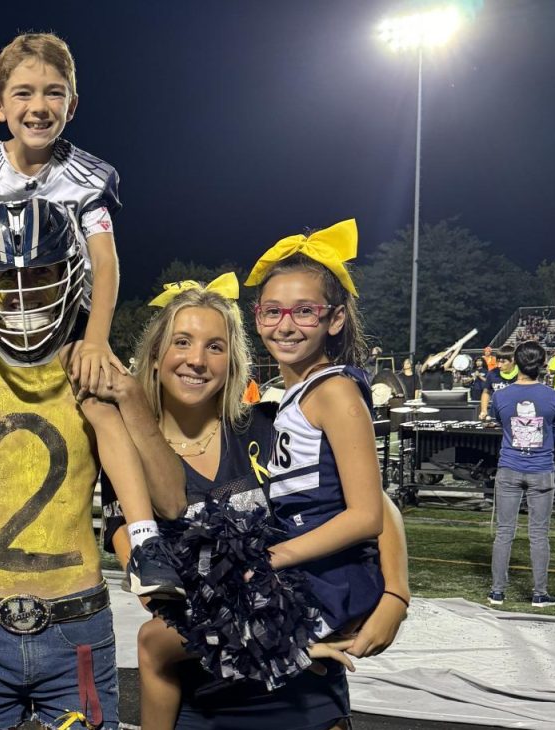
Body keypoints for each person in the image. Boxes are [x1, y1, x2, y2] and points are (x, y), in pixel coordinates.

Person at [0, 32, 182, 612]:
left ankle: (146, 543)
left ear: (72, 104)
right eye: (23, 93)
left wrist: (95, 339)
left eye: (54, 93)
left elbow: (105, 260)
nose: (38, 105)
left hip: (61, 311)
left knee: (100, 398)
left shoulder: (89, 175)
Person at [98, 281, 409, 730]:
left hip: (305, 692)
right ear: (154, 355)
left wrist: (396, 595)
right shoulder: (123, 459)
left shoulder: (264, 427)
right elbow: (163, 606)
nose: (196, 360)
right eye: (181, 342)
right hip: (205, 695)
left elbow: (376, 504)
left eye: (216, 347)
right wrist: (289, 645)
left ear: (234, 363)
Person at [244, 218, 385, 641]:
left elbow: (367, 515)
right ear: (257, 317)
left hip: (331, 580)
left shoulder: (335, 391)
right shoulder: (291, 395)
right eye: (272, 311)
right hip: (303, 569)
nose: (285, 326)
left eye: (305, 311)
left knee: (180, 646)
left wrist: (275, 556)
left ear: (335, 318)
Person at [487, 340, 555, 608]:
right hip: (542, 470)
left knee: (504, 531)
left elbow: (498, 421)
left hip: (509, 468)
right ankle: (540, 594)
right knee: (539, 533)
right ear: (542, 365)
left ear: (517, 364)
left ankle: (497, 592)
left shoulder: (501, 395)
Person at [480, 344, 519, 421]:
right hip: (495, 414)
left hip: (516, 415)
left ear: (513, 360)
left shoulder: (522, 374)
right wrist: (484, 410)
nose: (499, 365)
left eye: (503, 362)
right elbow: (486, 392)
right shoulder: (492, 373)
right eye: (498, 361)